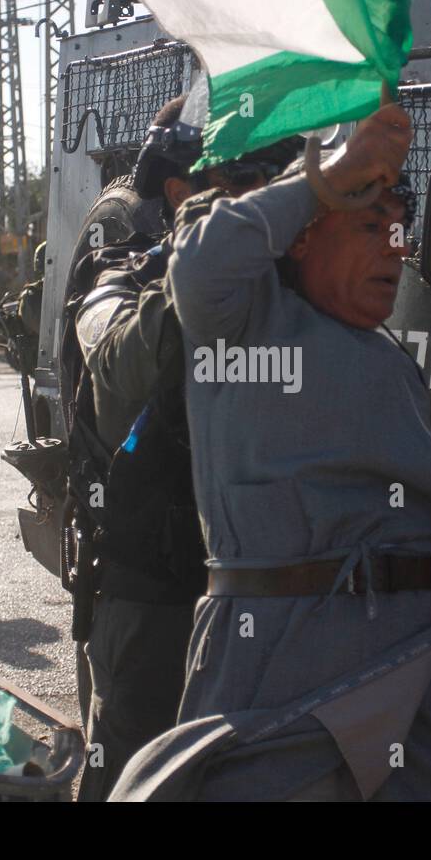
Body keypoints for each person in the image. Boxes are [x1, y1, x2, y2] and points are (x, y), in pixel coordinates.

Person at [110, 104, 431, 801]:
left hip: (403, 666)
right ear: (304, 237)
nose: (396, 249)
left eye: (400, 233)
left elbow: (428, 475)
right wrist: (330, 175)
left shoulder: (379, 356)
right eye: (370, 227)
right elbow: (204, 264)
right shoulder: (244, 322)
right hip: (286, 659)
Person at [65, 93, 302, 801]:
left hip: (269, 597)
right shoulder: (121, 284)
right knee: (135, 778)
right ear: (184, 195)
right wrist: (199, 271)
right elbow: (120, 367)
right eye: (243, 191)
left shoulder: (291, 298)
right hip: (157, 601)